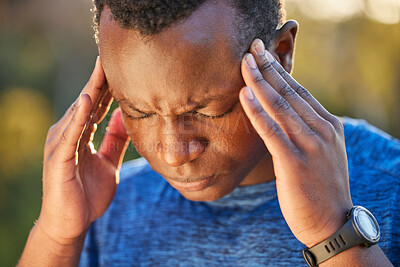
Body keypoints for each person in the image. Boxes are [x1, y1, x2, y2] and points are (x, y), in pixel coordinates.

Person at [18, 0, 399, 266]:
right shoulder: (105, 208)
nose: (173, 152)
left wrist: (335, 232)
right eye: (139, 110)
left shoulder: (390, 186)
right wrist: (57, 237)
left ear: (280, 54)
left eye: (205, 110)